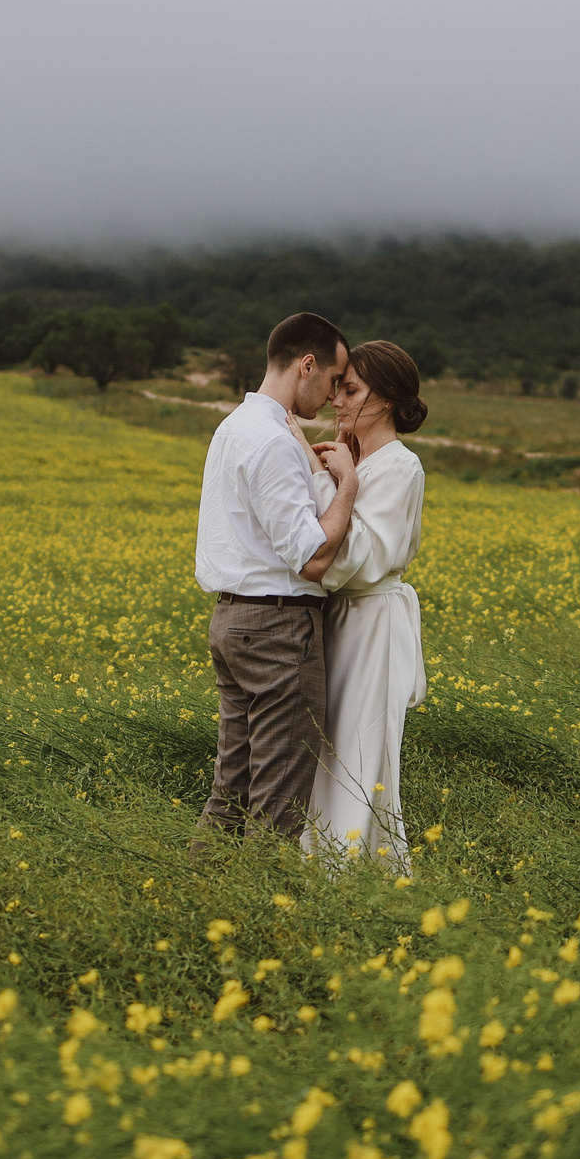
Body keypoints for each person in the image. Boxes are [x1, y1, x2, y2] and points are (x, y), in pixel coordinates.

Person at [193, 312, 358, 843]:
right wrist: (346, 489)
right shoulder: (271, 440)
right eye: (334, 380)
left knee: (231, 792)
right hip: (278, 630)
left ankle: (196, 905)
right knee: (279, 807)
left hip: (233, 620)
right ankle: (260, 920)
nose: (335, 397)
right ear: (306, 365)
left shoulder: (234, 426)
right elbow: (311, 559)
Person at [301, 341, 429, 870]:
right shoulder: (357, 459)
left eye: (351, 390)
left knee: (361, 751)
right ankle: (331, 865)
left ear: (388, 398)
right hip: (340, 620)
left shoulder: (400, 467)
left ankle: (346, 870)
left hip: (372, 625)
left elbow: (352, 557)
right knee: (328, 752)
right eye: (337, 389)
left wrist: (329, 479)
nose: (338, 401)